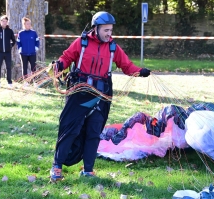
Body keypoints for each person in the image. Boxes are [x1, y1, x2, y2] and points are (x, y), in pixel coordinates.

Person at [49, 11, 151, 182]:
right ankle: (57, 166)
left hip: (101, 96)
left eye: (110, 30)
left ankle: (88, 170)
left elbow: (127, 65)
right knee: (70, 130)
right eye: (106, 30)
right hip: (79, 94)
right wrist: (59, 65)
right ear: (96, 28)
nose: (109, 33)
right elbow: (66, 57)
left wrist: (140, 72)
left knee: (94, 133)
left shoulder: (113, 47)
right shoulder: (82, 43)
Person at [0, 15, 16, 88]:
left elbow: (13, 40)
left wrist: (11, 45)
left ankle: (9, 82)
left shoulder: (10, 31)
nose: (4, 23)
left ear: (7, 22)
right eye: (3, 21)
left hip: (7, 52)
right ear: (0, 22)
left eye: (5, 21)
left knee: (8, 67)